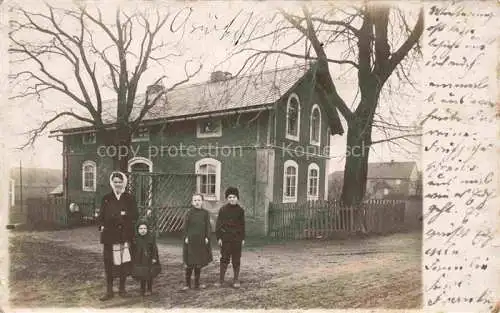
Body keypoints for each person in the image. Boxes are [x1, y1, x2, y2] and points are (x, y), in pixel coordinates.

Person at [97, 171, 139, 301]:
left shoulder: (129, 198)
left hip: (124, 235)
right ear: (112, 183)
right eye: (115, 182)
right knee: (109, 262)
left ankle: (122, 289)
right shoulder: (106, 198)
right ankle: (109, 291)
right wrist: (101, 225)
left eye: (120, 182)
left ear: (124, 183)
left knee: (123, 263)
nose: (118, 184)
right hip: (110, 236)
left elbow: (135, 215)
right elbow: (101, 216)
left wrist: (124, 215)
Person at [214, 187, 245, 288]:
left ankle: (236, 279)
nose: (232, 199)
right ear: (227, 198)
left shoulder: (240, 211)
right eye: (230, 197)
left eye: (234, 197)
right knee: (224, 258)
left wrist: (243, 238)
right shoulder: (223, 210)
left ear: (237, 198)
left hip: (236, 239)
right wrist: (219, 238)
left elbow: (242, 225)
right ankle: (221, 280)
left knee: (236, 259)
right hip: (226, 239)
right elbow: (218, 225)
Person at [181, 193, 213, 290]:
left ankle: (197, 283)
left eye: (199, 200)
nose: (197, 202)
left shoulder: (205, 213)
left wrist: (207, 237)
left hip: (201, 241)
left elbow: (208, 227)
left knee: (198, 263)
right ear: (192, 202)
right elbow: (185, 227)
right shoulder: (189, 213)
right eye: (195, 200)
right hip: (191, 241)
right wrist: (186, 237)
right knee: (190, 263)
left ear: (202, 201)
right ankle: (187, 284)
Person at [132, 220, 160, 297]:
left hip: (149, 259)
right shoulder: (136, 238)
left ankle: (149, 289)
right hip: (140, 259)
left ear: (147, 229)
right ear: (138, 230)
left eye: (144, 228)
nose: (143, 230)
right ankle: (142, 289)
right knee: (142, 274)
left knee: (149, 275)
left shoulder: (151, 238)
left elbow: (154, 249)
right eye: (140, 229)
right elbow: (133, 250)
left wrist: (154, 257)